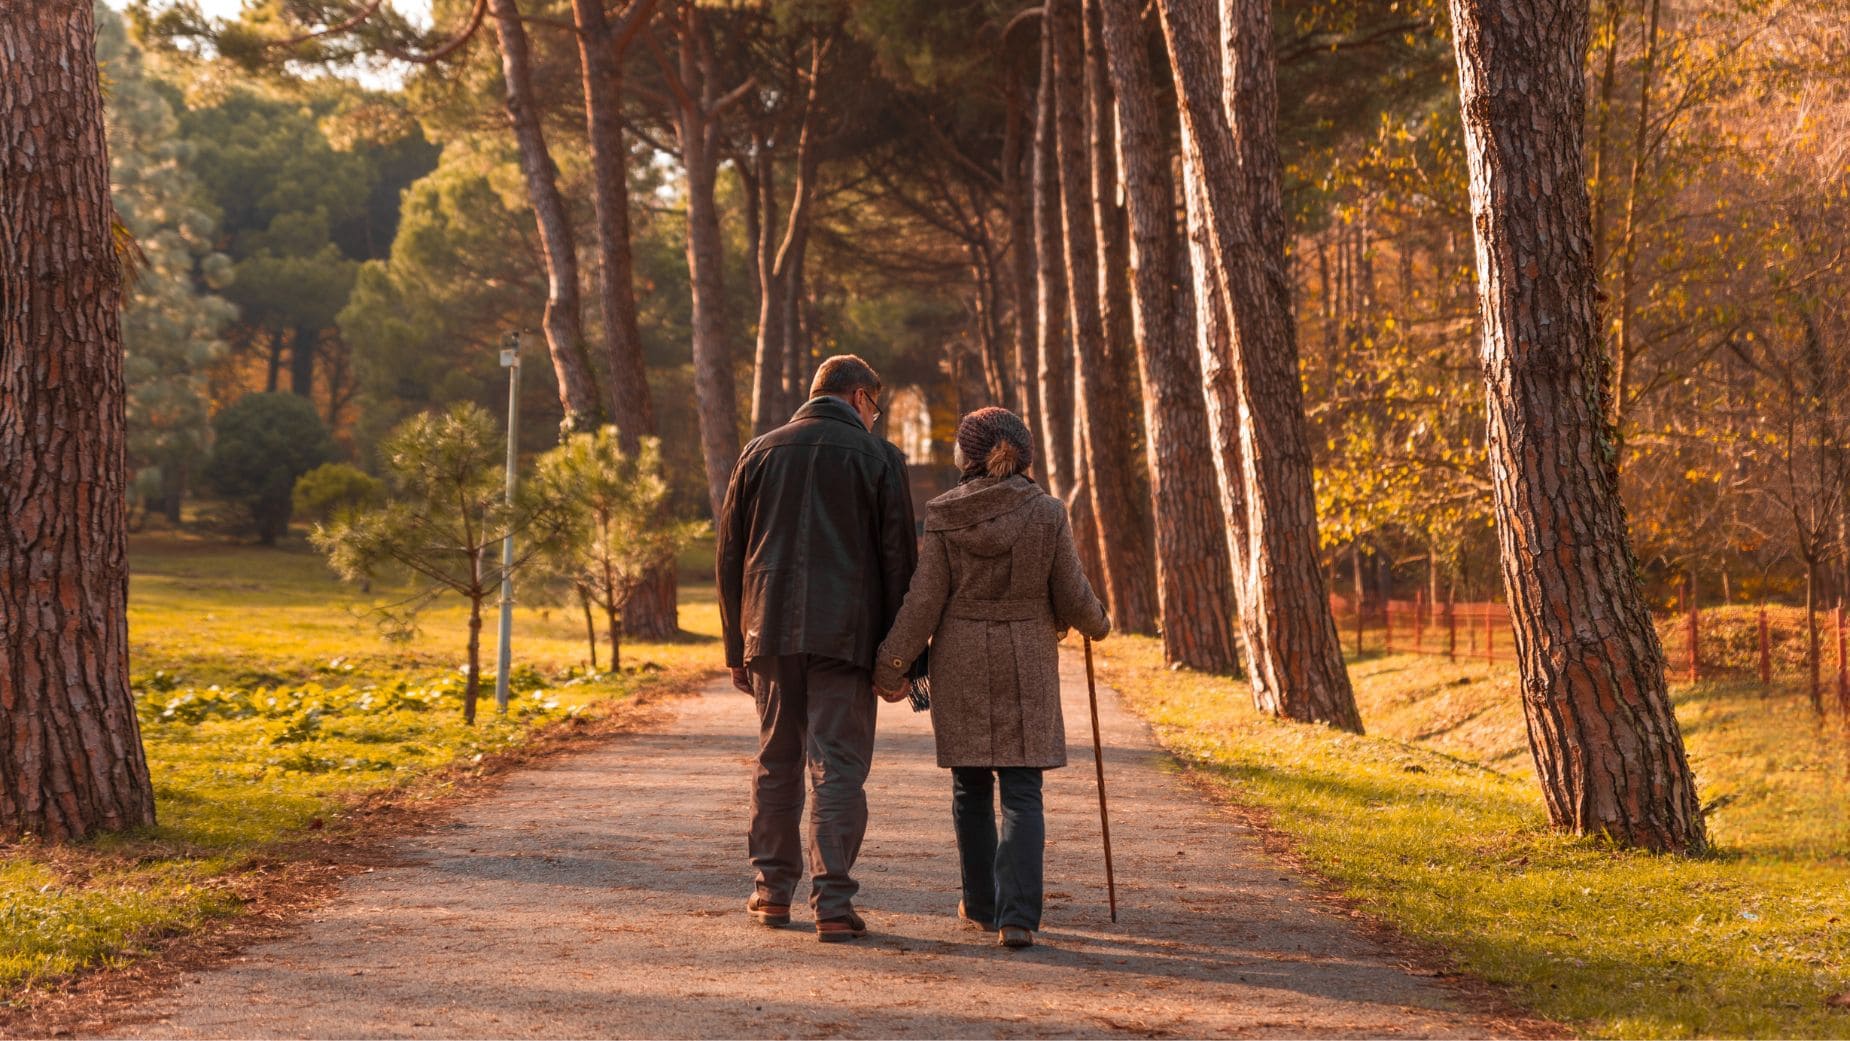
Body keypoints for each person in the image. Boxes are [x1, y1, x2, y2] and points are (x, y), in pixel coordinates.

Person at [871, 407, 1109, 949]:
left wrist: (892, 664)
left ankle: (979, 904)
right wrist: (1098, 621)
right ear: (1023, 453)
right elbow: (1072, 592)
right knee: (1023, 790)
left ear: (966, 456)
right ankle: (1018, 917)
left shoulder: (943, 514)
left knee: (971, 786)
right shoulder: (1047, 512)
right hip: (1027, 654)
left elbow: (924, 599)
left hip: (961, 660)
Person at [717, 354, 918, 943]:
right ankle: (832, 903)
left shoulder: (759, 452)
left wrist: (737, 647)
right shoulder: (879, 459)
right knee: (838, 768)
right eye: (875, 408)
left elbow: (730, 556)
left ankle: (770, 893)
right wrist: (903, 660)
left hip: (771, 634)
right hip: (848, 638)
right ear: (859, 398)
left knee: (776, 761)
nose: (875, 419)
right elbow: (899, 563)